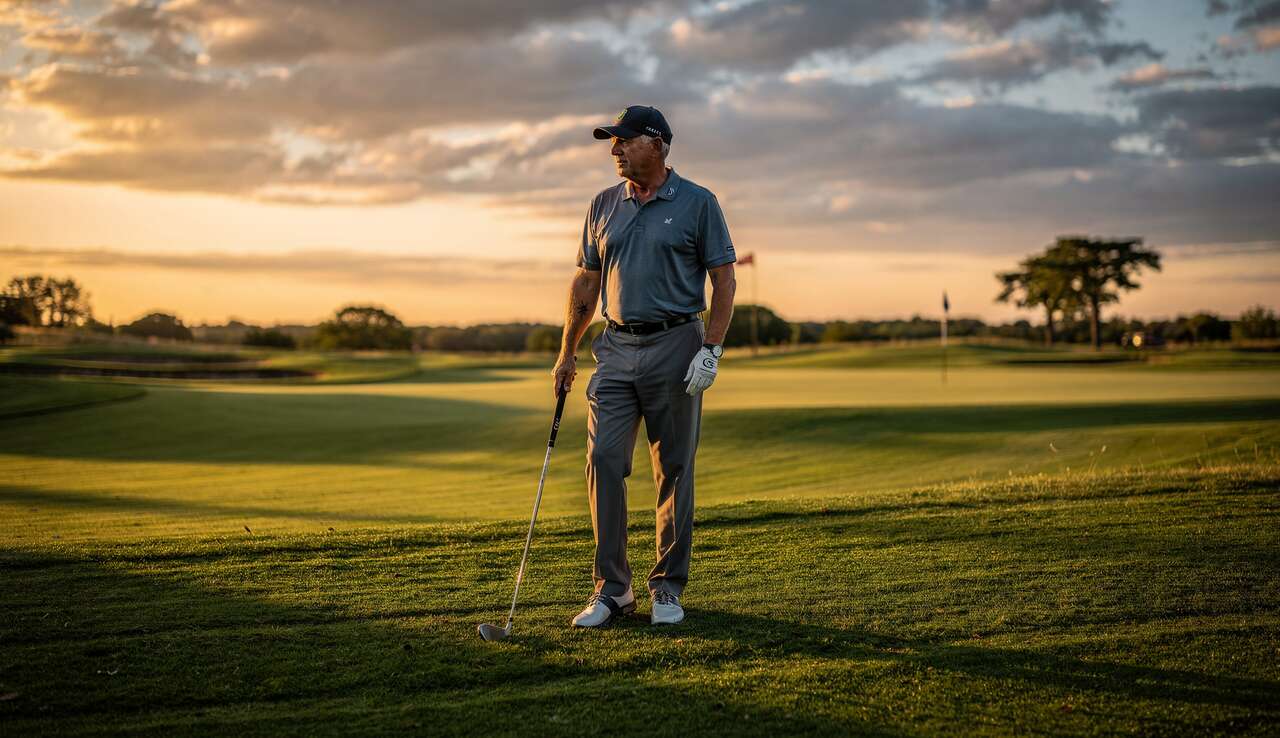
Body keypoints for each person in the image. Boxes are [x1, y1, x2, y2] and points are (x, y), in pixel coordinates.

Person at [551, 105, 737, 627]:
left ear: (655, 143)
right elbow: (587, 283)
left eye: (624, 141)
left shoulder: (699, 203)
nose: (615, 150)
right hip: (614, 348)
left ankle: (667, 589)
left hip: (678, 344)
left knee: (673, 470)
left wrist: (712, 348)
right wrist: (567, 352)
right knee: (604, 462)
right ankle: (613, 590)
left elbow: (724, 281)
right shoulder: (603, 204)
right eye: (612, 142)